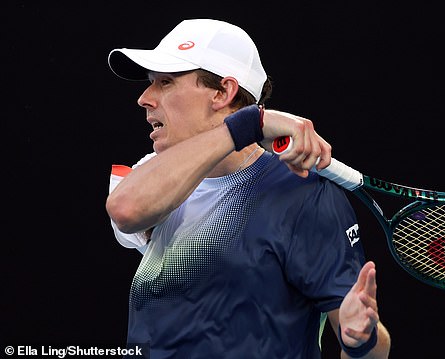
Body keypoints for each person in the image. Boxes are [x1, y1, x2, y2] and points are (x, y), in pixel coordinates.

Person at [106, 18, 391, 358]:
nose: (144, 98)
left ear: (223, 92)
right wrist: (249, 125)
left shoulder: (303, 193)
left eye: (165, 82)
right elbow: (126, 211)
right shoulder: (147, 176)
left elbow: (367, 342)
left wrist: (363, 340)